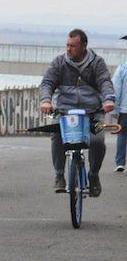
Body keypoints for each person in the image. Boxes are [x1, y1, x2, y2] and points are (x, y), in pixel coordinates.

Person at [40, 28, 115, 196]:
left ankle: (93, 175)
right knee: (57, 136)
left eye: (73, 46)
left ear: (84, 46)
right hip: (65, 112)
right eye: (67, 45)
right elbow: (47, 83)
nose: (68, 49)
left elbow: (105, 82)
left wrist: (108, 99)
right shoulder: (59, 63)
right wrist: (45, 101)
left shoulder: (97, 63)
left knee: (97, 142)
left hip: (92, 113)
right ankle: (59, 175)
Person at [111, 36, 127, 172]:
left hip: (124, 109)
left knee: (122, 134)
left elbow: (116, 90)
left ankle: (120, 162)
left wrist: (114, 110)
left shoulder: (122, 68)